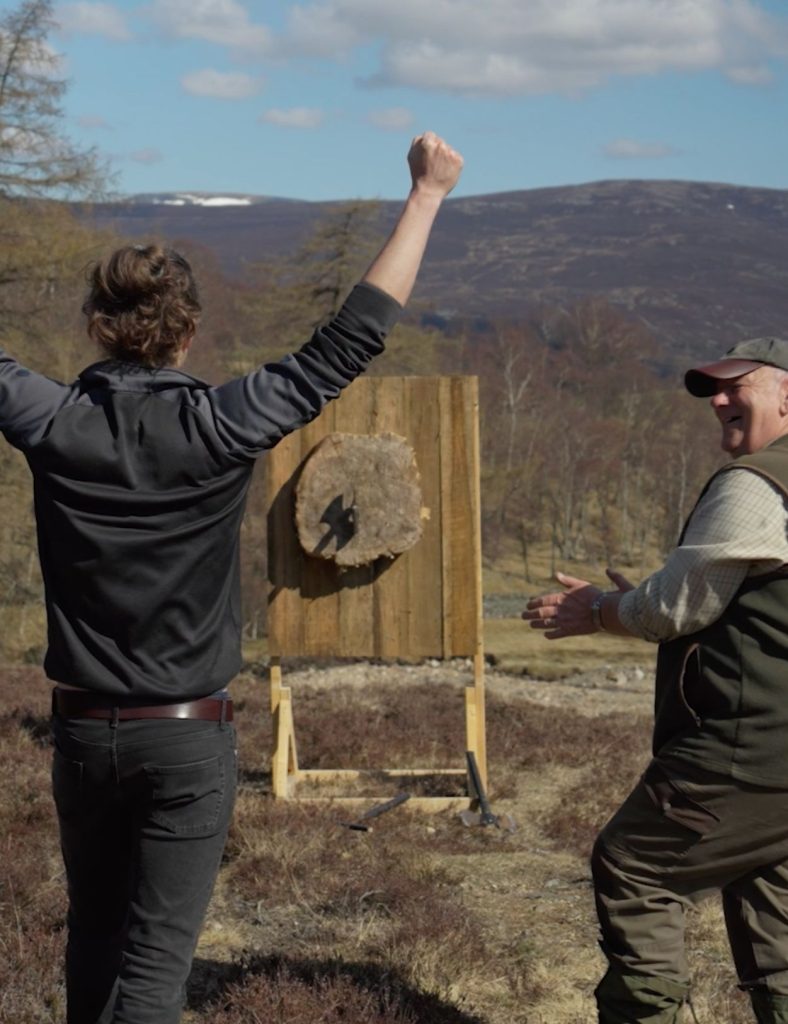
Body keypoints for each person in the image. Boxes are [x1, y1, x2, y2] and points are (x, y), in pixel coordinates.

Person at [0, 131, 462, 1024]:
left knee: (92, 939)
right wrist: (426, 197)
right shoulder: (220, 426)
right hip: (184, 739)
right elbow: (348, 342)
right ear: (189, 332)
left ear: (98, 324)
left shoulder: (52, 423)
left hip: (80, 731)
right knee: (155, 967)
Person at [523, 337, 788, 1024]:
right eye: (713, 392)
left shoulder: (755, 484)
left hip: (744, 750)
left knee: (633, 866)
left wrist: (604, 610)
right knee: (772, 907)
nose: (720, 401)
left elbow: (676, 607)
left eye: (739, 387)